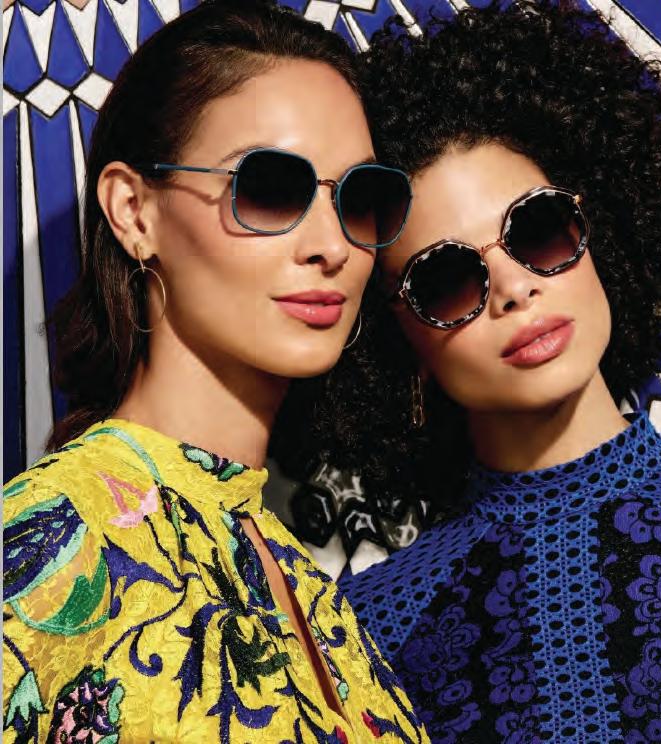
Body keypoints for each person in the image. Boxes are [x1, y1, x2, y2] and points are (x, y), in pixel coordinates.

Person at [282, 2, 661, 741]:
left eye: (536, 229)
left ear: (599, 235)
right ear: (398, 342)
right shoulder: (372, 628)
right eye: (446, 279)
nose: (514, 288)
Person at [1, 2, 428, 742]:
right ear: (134, 212)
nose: (332, 246)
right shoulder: (48, 541)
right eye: (270, 187)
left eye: (361, 199)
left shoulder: (319, 597)